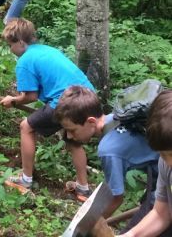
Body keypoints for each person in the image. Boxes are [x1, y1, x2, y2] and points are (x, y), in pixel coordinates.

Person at [0, 19, 95, 199]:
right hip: (87, 96)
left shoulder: (25, 61)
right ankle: (83, 187)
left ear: (20, 42)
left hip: (66, 101)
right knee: (72, 140)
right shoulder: (47, 50)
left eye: (10, 45)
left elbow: (30, 97)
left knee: (26, 127)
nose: (10, 49)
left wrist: (13, 100)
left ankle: (25, 179)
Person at [54, 86, 159, 217]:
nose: (69, 136)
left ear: (91, 121)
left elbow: (116, 198)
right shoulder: (115, 117)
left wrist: (91, 226)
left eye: (72, 130)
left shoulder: (108, 150)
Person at [119, 90, 172, 237]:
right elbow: (162, 213)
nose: (168, 162)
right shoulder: (166, 163)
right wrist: (131, 235)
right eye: (162, 154)